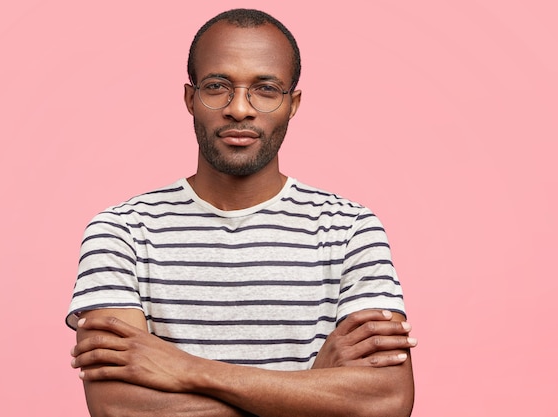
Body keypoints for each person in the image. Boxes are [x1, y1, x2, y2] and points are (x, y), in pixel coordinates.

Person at [67, 8, 416, 417]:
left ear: (293, 104)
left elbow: (388, 401)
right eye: (217, 86)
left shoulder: (350, 229)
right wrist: (309, 391)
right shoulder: (121, 231)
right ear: (189, 98)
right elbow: (119, 408)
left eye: (265, 89)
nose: (239, 109)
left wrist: (183, 369)